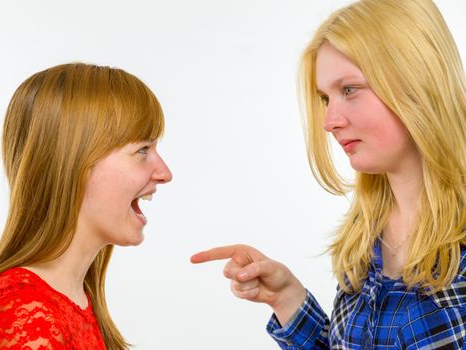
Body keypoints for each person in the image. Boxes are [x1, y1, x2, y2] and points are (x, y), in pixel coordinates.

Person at [191, 0, 466, 348]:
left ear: (414, 81)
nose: (329, 122)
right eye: (325, 98)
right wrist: (288, 299)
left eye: (349, 90)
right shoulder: (365, 236)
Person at [0, 63, 172, 349]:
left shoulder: (69, 299)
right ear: (75, 164)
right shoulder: (23, 313)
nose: (164, 172)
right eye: (142, 150)